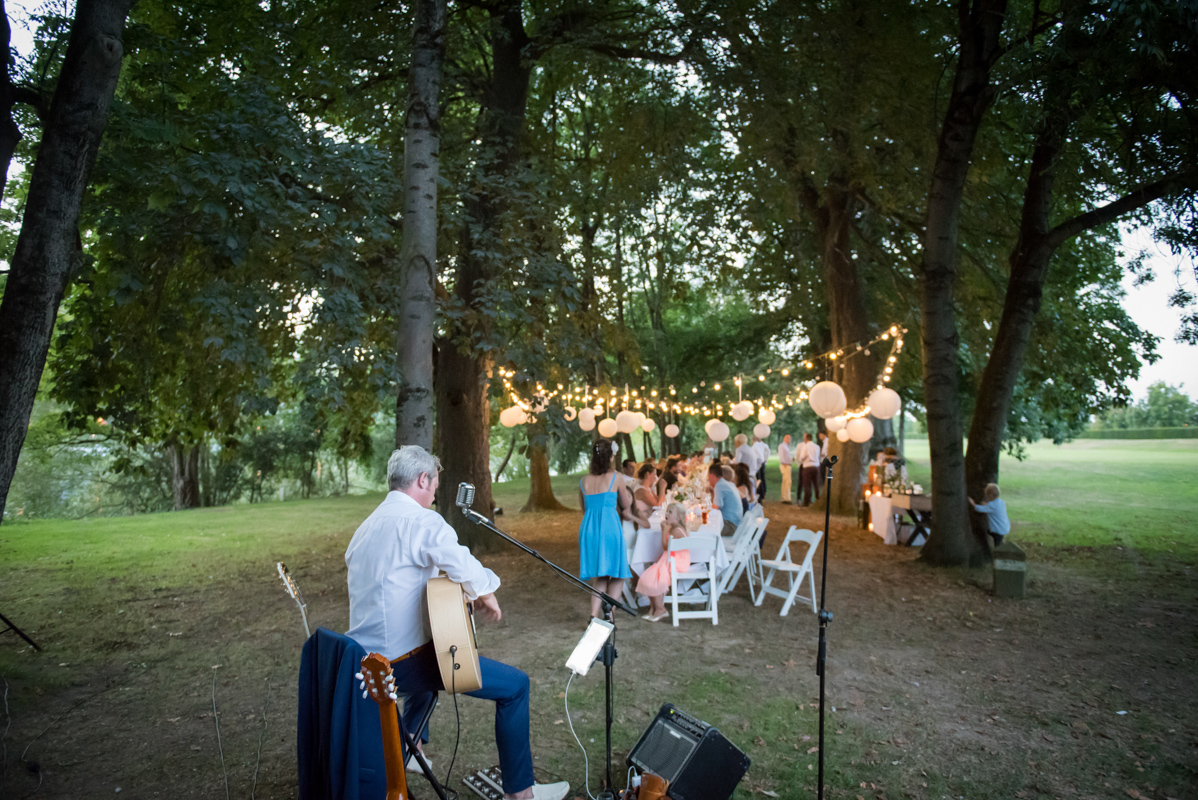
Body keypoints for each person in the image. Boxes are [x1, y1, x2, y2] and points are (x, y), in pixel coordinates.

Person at [344, 446, 570, 800]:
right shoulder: (422, 521)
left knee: (430, 667)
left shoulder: (364, 529)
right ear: (422, 479)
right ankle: (521, 794)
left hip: (362, 665)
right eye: (434, 483)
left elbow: (399, 583)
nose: (435, 492)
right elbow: (463, 563)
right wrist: (485, 591)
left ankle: (412, 748)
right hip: (399, 666)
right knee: (515, 686)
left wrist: (461, 594)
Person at [577, 439, 635, 619]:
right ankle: (609, 616)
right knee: (617, 574)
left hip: (589, 530)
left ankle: (594, 615)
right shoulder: (616, 477)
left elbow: (584, 509)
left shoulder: (584, 481)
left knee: (601, 575)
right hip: (609, 527)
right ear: (610, 457)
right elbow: (625, 504)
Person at [634, 502, 691, 622]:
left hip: (678, 561)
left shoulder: (676, 531)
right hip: (672, 558)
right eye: (667, 511)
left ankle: (660, 609)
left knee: (656, 576)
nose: (667, 514)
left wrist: (664, 530)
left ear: (678, 517)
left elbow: (666, 547)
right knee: (651, 574)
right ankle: (654, 607)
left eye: (670, 512)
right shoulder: (674, 528)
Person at [969, 483, 1010, 547]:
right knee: (992, 535)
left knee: (997, 545)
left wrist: (973, 503)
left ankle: (998, 552)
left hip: (998, 530)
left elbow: (979, 509)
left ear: (990, 496)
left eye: (986, 495)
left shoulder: (991, 505)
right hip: (1004, 527)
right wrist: (986, 504)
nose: (986, 497)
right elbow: (994, 508)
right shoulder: (1001, 502)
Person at [708, 462, 743, 536]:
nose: (708, 479)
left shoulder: (719, 486)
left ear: (712, 475)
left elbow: (715, 509)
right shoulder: (727, 483)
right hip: (735, 523)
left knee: (705, 529)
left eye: (708, 476)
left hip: (731, 526)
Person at [798, 433, 821, 507]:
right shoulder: (817, 447)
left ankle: (807, 501)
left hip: (807, 466)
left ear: (806, 439)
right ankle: (818, 498)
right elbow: (818, 456)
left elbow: (802, 457)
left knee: (807, 484)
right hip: (816, 466)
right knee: (816, 484)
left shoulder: (805, 446)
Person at [752, 435, 770, 503]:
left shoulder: (755, 446)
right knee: (762, 478)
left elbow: (757, 455)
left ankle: (760, 495)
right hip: (762, 463)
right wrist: (765, 460)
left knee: (758, 479)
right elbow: (768, 452)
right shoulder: (763, 445)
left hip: (757, 463)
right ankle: (763, 493)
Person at [778, 434, 794, 504]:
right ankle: (786, 498)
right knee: (787, 481)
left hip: (788, 464)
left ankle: (785, 497)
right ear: (784, 438)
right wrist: (784, 463)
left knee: (786, 482)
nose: (789, 440)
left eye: (789, 438)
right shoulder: (782, 446)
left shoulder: (787, 446)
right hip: (785, 465)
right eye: (787, 438)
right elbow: (781, 456)